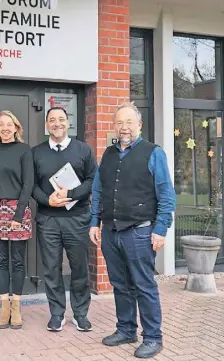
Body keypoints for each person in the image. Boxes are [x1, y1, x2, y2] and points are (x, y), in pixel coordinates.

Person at [89, 102, 175, 359]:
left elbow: (167, 195)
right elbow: (98, 190)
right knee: (120, 284)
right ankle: (126, 329)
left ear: (139, 125)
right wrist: (95, 221)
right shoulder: (108, 154)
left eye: (129, 122)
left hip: (139, 232)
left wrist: (160, 229)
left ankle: (153, 337)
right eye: (119, 123)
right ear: (114, 126)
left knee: (143, 285)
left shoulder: (153, 153)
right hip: (111, 231)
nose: (124, 127)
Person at [32, 107, 97, 332]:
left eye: (61, 119)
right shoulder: (36, 152)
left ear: (68, 123)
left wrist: (70, 194)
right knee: (51, 269)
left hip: (77, 218)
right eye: (52, 120)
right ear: (46, 125)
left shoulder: (83, 150)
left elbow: (92, 180)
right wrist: (48, 200)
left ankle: (80, 313)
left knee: (79, 268)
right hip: (48, 219)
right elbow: (31, 186)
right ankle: (57, 314)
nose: (57, 123)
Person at [0, 110, 34, 330]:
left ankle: (16, 307)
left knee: (18, 261)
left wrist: (18, 215)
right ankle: (4, 307)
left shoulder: (24, 151)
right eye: (1, 125)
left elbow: (28, 184)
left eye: (8, 124)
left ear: (16, 127)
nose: (5, 128)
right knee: (1, 261)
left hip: (18, 211)